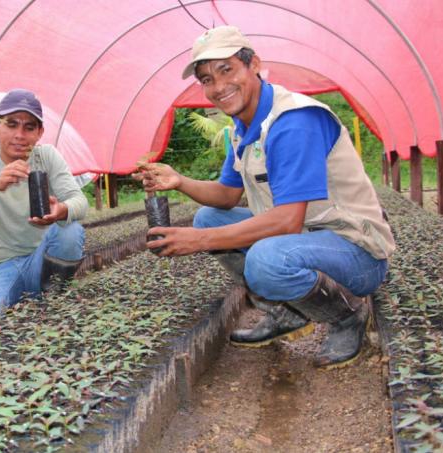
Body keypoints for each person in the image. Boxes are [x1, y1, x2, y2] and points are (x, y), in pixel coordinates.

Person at [135, 26, 395, 369]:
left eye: (226, 70)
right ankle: (286, 313)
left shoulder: (294, 121)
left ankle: (347, 317)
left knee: (266, 260)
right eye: (207, 79)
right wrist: (179, 181)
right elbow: (227, 195)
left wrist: (198, 241)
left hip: (355, 252)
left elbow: (287, 221)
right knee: (208, 217)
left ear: (253, 64)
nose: (218, 86)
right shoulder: (243, 128)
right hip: (305, 240)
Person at [0, 89, 87, 329]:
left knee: (70, 231)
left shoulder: (46, 157)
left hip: (40, 260)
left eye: (29, 127)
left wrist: (61, 210)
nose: (20, 135)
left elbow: (80, 201)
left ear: (39, 132)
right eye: (11, 124)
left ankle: (50, 294)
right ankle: (24, 296)